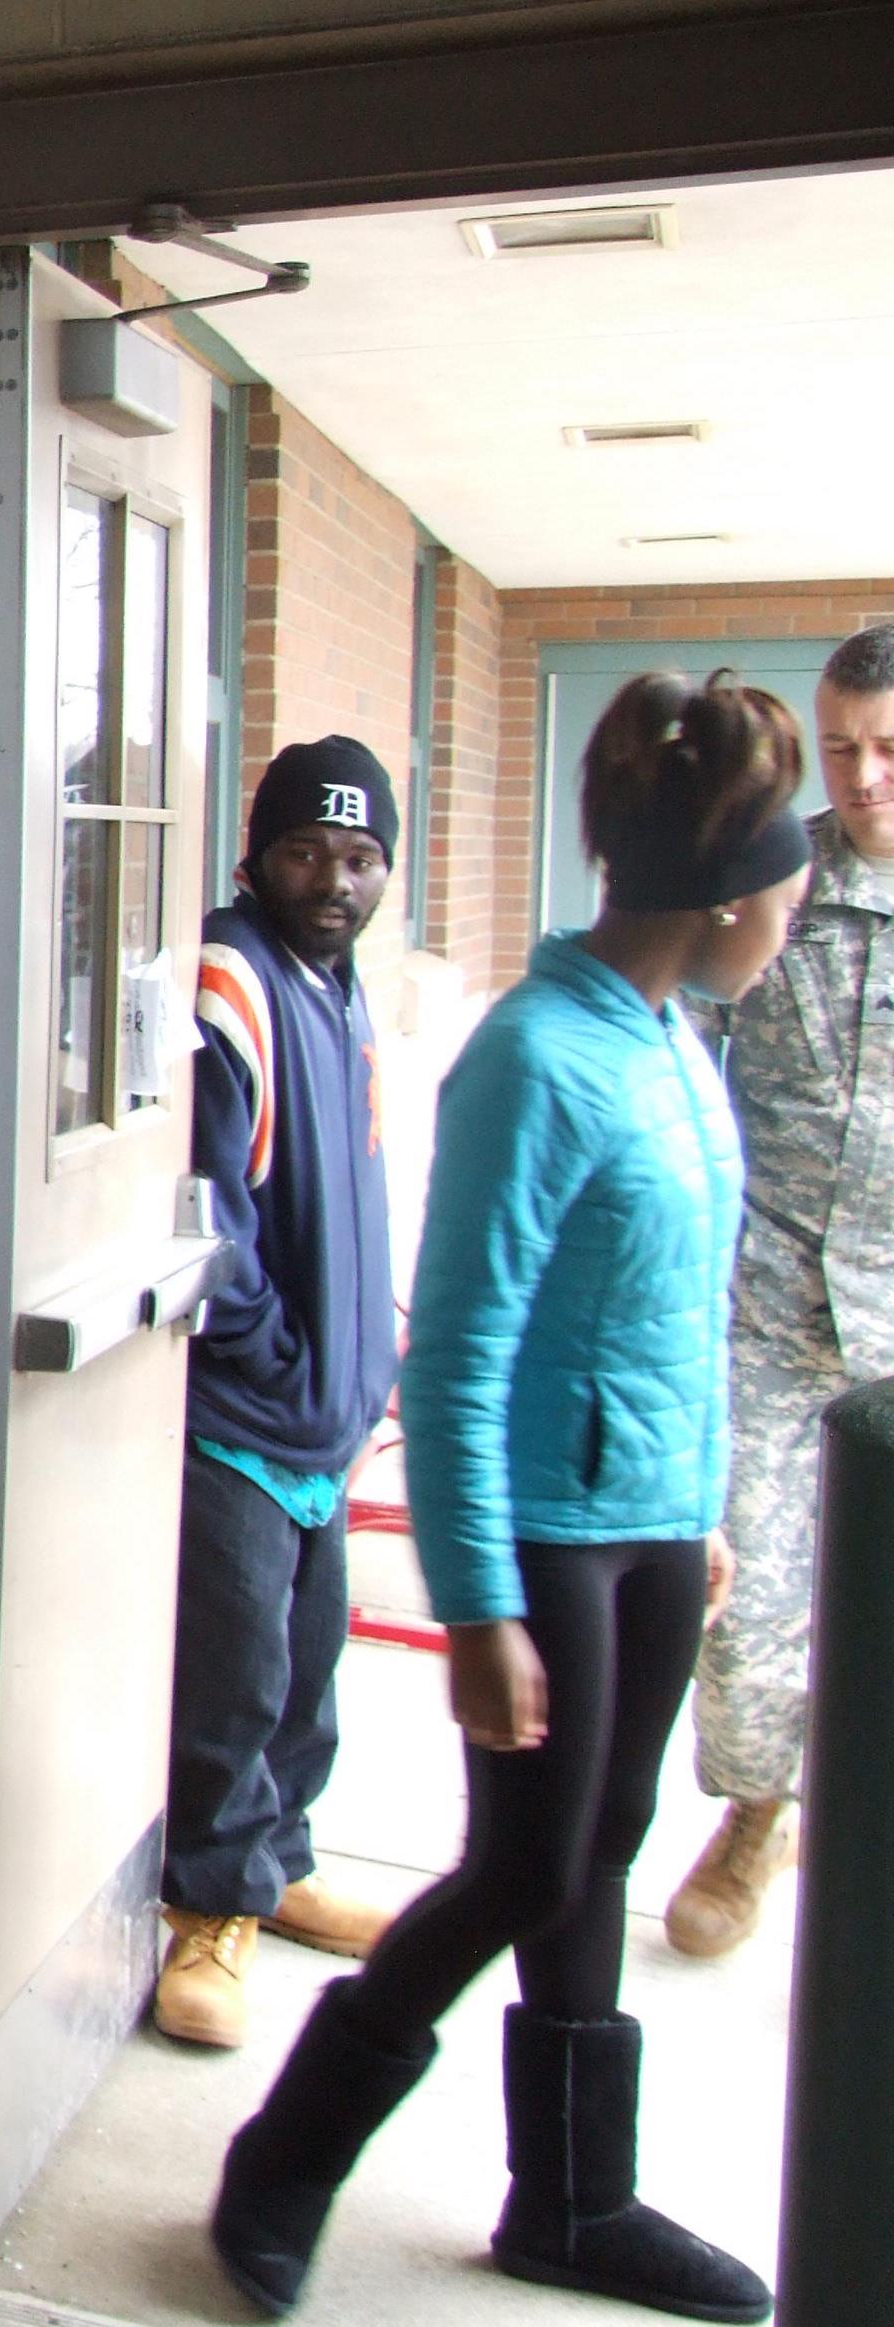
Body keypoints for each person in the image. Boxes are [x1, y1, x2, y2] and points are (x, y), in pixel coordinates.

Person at [209, 669, 807, 2324]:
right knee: (522, 1871)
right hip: (542, 1536)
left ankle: (571, 2201)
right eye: (792, 865)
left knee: (598, 1852)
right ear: (731, 885)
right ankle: (288, 2155)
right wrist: (476, 1605)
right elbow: (460, 1351)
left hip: (653, 1530)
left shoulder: (678, 1046)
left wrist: (699, 1515)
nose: (804, 894)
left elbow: (676, 1313)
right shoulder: (539, 1060)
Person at [151, 738, 405, 2049]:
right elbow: (210, 1216)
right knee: (235, 1671)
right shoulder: (232, 978)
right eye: (308, 851)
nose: (334, 880)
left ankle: (281, 1862)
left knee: (309, 1671)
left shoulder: (344, 985)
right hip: (248, 1418)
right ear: (257, 855)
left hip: (330, 1419)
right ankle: (210, 1905)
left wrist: (370, 1366)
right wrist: (285, 1360)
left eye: (361, 859)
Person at [665, 622, 894, 1958]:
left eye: (891, 751)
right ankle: (760, 1813)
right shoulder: (774, 882)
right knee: (740, 1611)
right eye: (847, 748)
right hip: (768, 1323)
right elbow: (684, 1057)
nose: (864, 780)